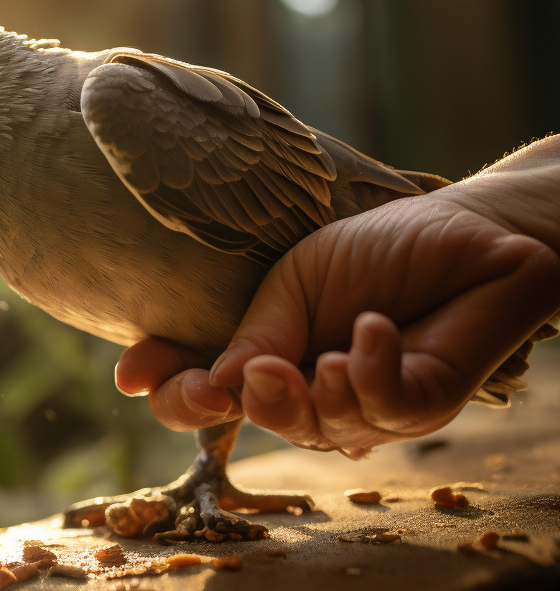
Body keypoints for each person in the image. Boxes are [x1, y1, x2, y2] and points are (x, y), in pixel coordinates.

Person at [117, 135, 560, 454]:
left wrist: (487, 215)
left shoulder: (112, 100)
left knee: (202, 385)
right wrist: (491, 213)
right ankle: (209, 467)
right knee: (203, 385)